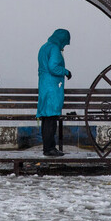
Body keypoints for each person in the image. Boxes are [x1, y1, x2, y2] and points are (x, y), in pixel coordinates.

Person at [36, 29, 72, 157]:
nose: (64, 46)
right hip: (52, 87)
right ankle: (50, 149)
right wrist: (66, 72)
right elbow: (53, 67)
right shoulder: (55, 49)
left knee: (46, 118)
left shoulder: (44, 47)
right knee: (51, 118)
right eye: (65, 43)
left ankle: (48, 147)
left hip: (44, 86)